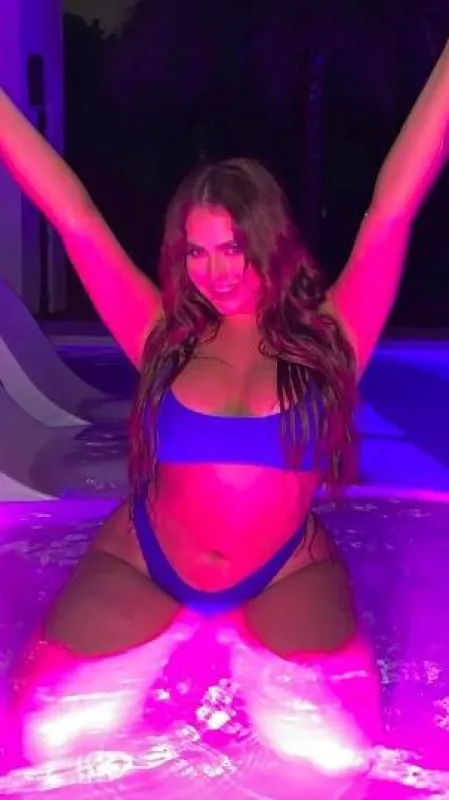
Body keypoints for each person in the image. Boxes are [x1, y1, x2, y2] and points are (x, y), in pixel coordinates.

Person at [0, 38, 448, 770]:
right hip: (145, 559)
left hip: (283, 568)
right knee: (48, 743)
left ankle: (234, 643)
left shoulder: (333, 338)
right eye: (197, 252)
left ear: (269, 241)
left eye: (234, 247)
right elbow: (70, 211)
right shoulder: (161, 336)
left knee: (331, 759)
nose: (216, 272)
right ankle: (179, 633)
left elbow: (393, 204)